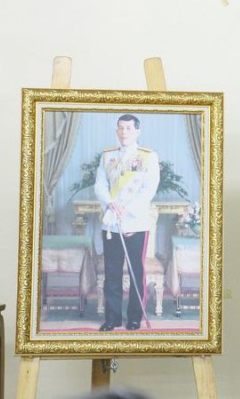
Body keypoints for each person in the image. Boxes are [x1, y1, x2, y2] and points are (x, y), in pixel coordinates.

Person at [94, 114, 160, 331]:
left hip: (135, 223)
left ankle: (134, 317)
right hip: (111, 222)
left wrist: (127, 210)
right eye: (121, 128)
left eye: (129, 128)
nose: (124, 132)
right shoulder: (107, 156)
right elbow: (100, 185)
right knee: (111, 271)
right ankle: (112, 318)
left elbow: (149, 189)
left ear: (137, 132)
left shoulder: (148, 157)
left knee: (135, 273)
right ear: (116, 131)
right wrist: (110, 202)